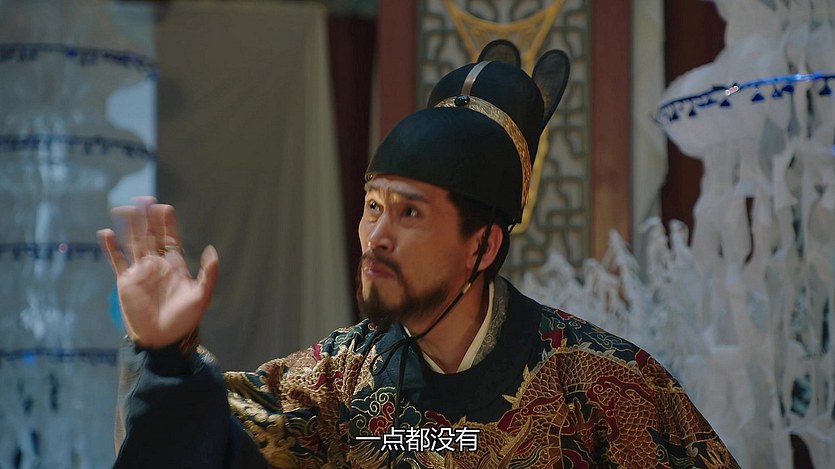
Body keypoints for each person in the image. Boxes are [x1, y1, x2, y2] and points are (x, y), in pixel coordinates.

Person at [99, 40, 740, 468]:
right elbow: (214, 449)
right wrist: (167, 358)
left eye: (410, 213)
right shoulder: (337, 385)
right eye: (372, 207)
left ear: (483, 245)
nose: (376, 236)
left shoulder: (603, 387)